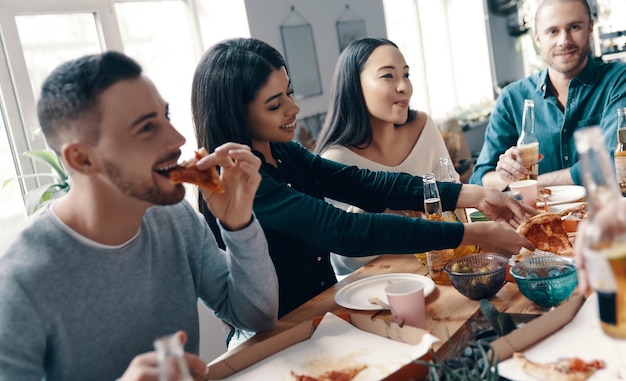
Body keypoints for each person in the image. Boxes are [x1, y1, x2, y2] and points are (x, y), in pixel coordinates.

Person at [191, 37, 536, 342]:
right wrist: (472, 233)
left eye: (290, 93)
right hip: (272, 337)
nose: (293, 109)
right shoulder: (237, 181)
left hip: (319, 316)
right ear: (236, 112)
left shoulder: (283, 151)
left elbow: (364, 183)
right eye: (274, 104)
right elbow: (343, 231)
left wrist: (475, 195)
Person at [0, 51, 279, 381]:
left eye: (166, 117)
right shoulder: (19, 281)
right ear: (82, 159)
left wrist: (238, 225)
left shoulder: (175, 217)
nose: (178, 139)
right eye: (147, 128)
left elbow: (257, 318)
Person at [314, 37, 460, 274]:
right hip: (377, 287)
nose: (404, 87)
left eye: (406, 74)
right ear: (354, 85)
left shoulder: (423, 127)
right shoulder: (334, 160)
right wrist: (378, 212)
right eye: (388, 76)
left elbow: (452, 199)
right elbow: (341, 261)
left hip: (439, 268)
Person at [469, 0, 626, 190]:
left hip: (606, 215)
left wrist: (529, 183)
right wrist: (507, 172)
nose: (564, 41)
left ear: (590, 28)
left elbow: (613, 162)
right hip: (538, 218)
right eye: (553, 31)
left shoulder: (618, 80)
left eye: (574, 27)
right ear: (537, 38)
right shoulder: (512, 98)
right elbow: (480, 178)